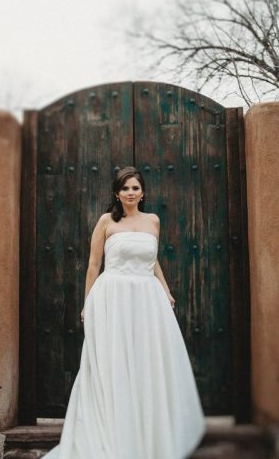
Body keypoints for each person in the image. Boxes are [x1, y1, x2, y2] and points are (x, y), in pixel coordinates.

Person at [43, 166, 206, 458]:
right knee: (114, 363)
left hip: (146, 299)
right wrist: (87, 302)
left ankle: (148, 435)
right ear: (117, 193)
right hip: (113, 298)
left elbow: (153, 260)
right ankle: (114, 434)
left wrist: (166, 290)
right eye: (125, 188)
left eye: (135, 188)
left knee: (146, 363)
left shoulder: (153, 221)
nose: (130, 193)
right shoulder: (106, 221)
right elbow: (94, 265)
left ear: (143, 193)